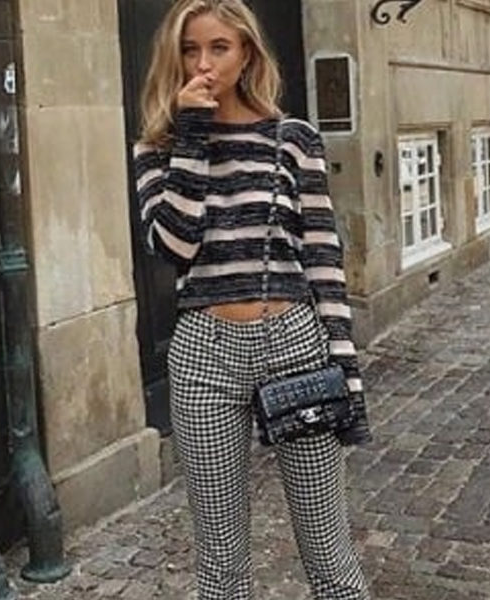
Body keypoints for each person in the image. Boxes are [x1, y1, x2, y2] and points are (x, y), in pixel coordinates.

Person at [132, 1, 371, 598]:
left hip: (295, 344)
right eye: (190, 49)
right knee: (221, 565)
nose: (204, 63)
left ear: (246, 54)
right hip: (204, 357)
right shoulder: (158, 149)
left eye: (219, 48)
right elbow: (173, 247)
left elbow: (323, 258)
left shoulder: (294, 140)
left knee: (328, 552)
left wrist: (346, 372)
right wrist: (191, 135)